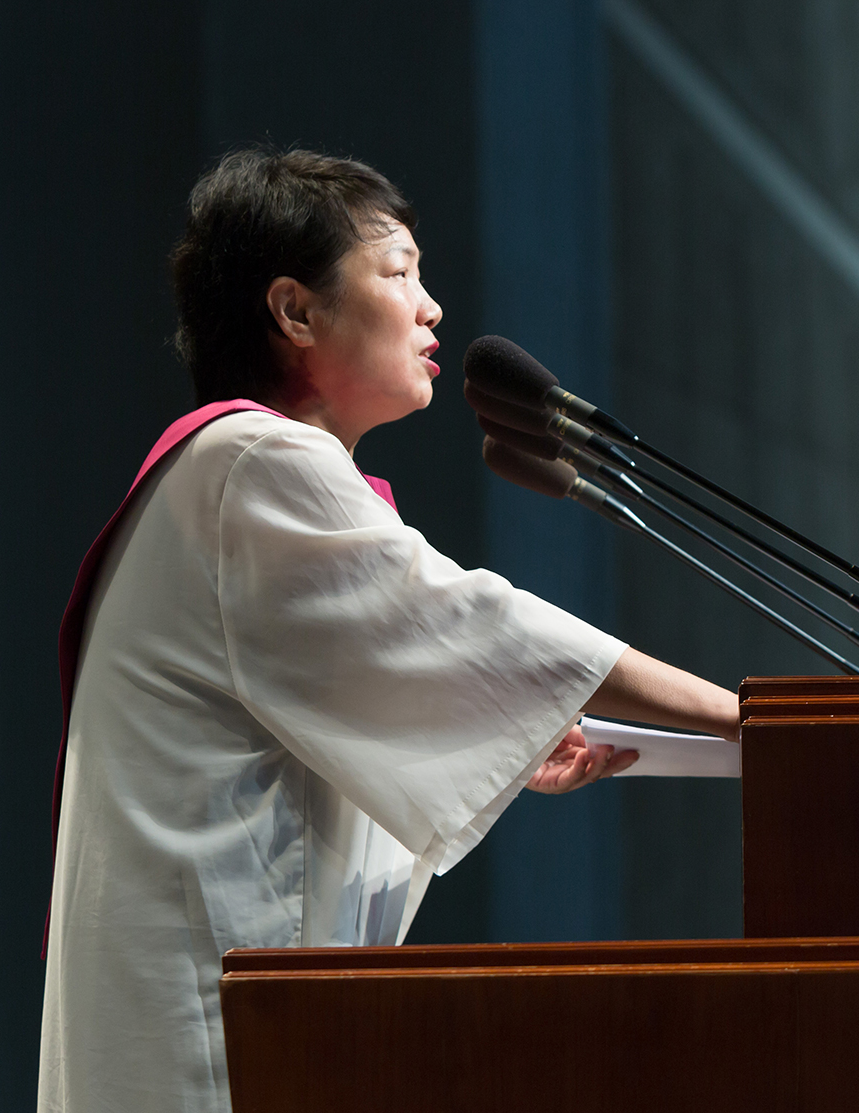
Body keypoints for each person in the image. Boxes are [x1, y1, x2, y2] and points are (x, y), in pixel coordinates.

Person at [38, 149, 738, 1112]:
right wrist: (750, 720)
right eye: (398, 272)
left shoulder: (225, 475)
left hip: (225, 1017)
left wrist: (506, 736)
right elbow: (475, 621)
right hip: (211, 1038)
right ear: (295, 310)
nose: (431, 307)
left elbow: (311, 732)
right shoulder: (253, 461)